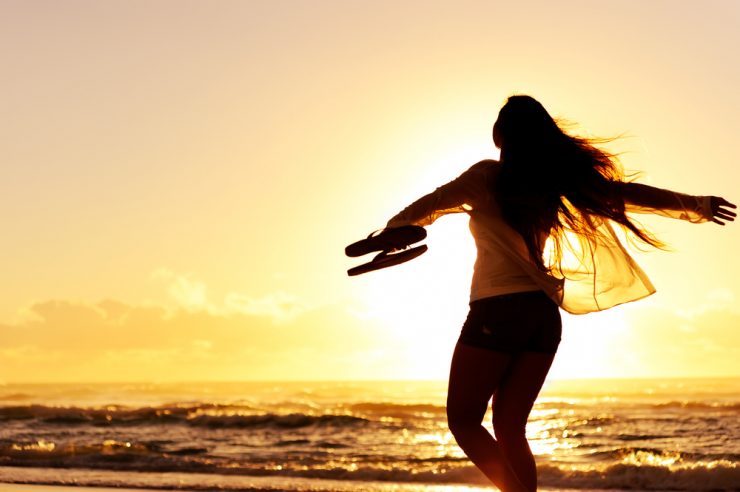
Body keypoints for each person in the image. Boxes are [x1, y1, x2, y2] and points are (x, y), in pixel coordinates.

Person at [384, 95, 736, 492]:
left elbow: (433, 203)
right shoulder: (555, 183)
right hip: (543, 318)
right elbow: (627, 194)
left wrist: (390, 230)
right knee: (510, 428)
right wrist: (697, 205)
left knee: (463, 421)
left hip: (497, 311)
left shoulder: (485, 177)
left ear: (500, 135)